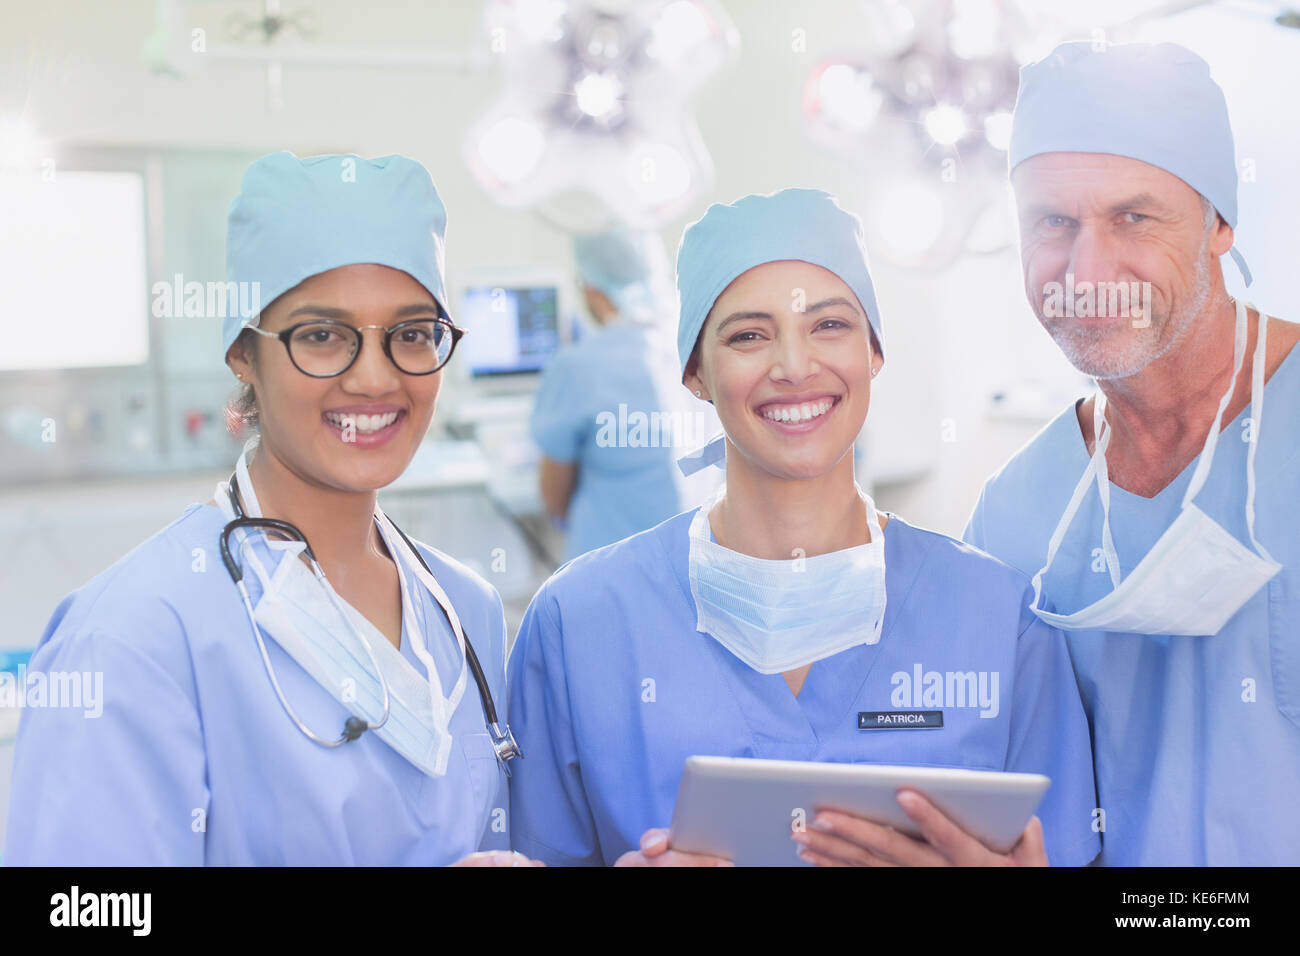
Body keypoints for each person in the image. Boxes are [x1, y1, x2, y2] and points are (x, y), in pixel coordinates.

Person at [507, 188, 1100, 867]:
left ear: (874, 350)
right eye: (749, 336)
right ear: (695, 372)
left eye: (829, 326)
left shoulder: (999, 620)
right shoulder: (580, 623)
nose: (794, 367)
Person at [3, 152, 541, 866]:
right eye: (322, 335)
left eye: (412, 333)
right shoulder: (135, 635)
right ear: (241, 352)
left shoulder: (462, 614)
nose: (376, 377)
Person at [963, 41, 1300, 865]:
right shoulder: (1014, 514)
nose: (1088, 270)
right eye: (1053, 222)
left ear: (1221, 223)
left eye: (1133, 218)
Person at [531, 227, 718, 560]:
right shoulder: (694, 349)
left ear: (591, 288)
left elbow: (554, 496)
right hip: (694, 566)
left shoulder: (579, 365)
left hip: (606, 573)